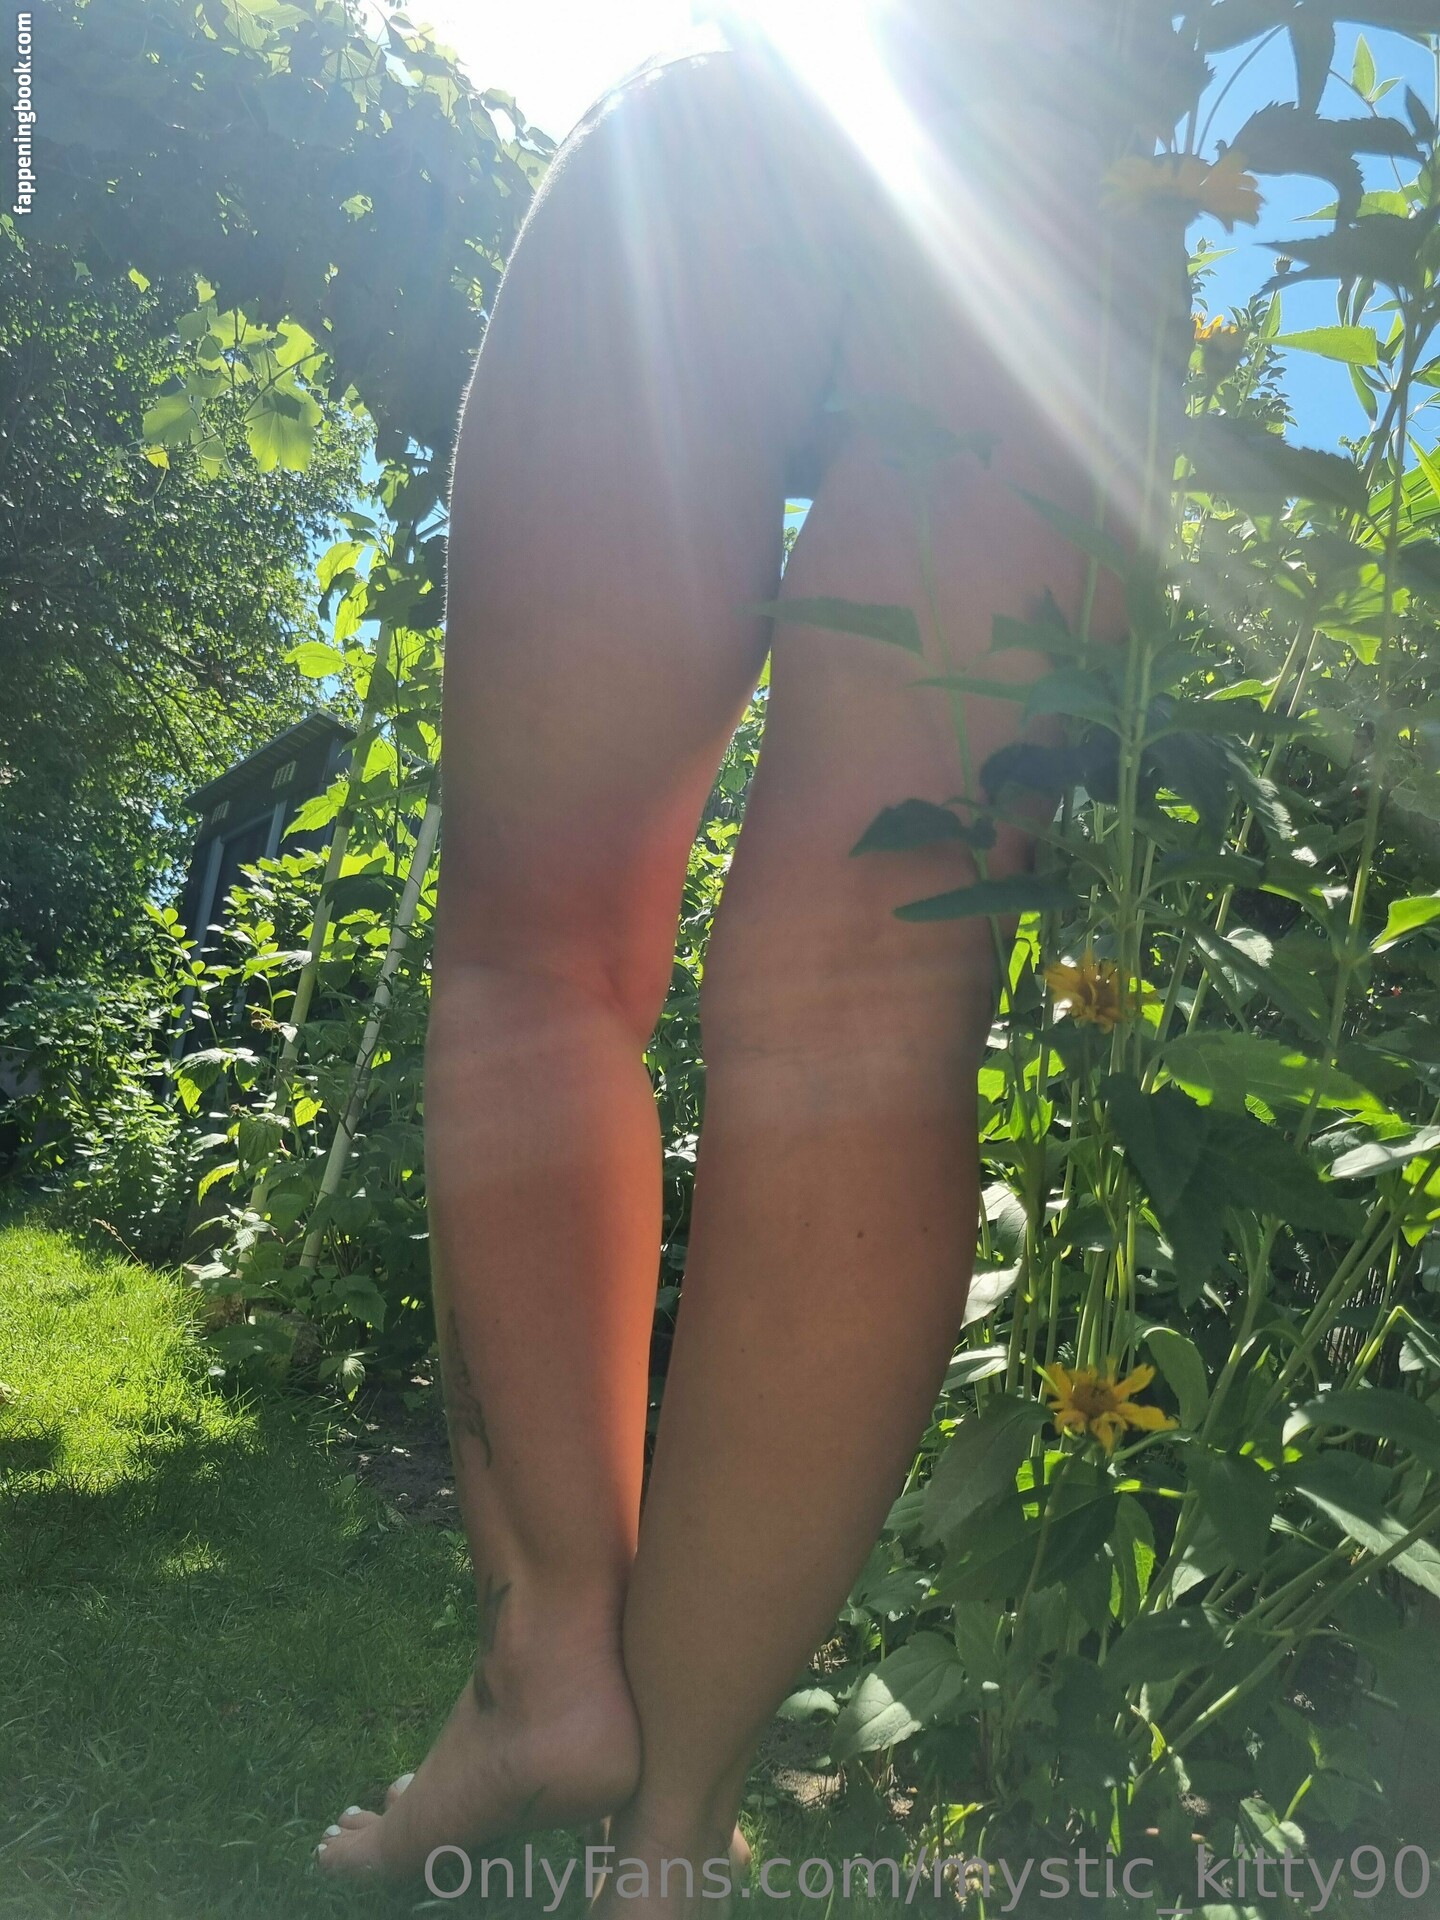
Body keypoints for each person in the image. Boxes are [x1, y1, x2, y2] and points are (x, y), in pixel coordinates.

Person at [317, 1, 1151, 1906]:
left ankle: (544, 1671)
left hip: (747, 132)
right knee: (873, 1006)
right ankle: (671, 1829)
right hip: (1070, 140)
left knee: (541, 953)